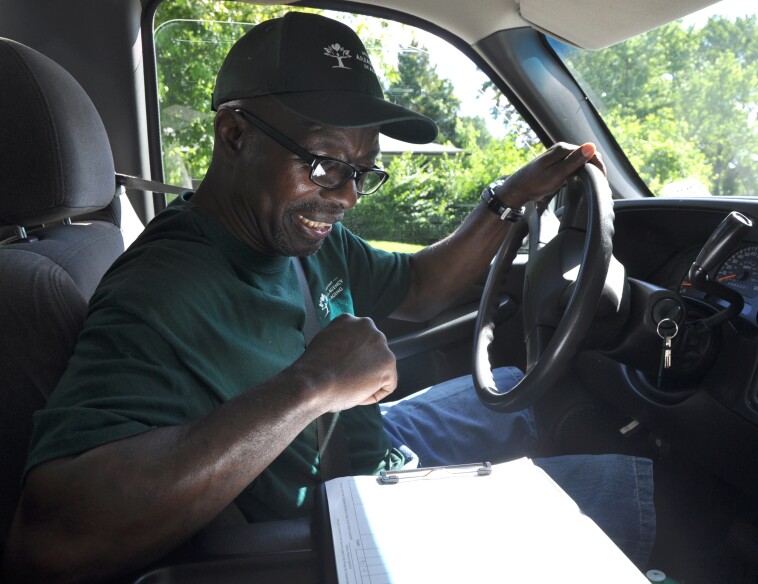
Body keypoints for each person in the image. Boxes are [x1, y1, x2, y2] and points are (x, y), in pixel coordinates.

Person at [4, 12, 654, 582]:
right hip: (335, 511)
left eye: (362, 171)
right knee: (651, 500)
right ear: (233, 135)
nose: (344, 196)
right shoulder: (161, 292)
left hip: (373, 438)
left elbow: (422, 288)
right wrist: (314, 384)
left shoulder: (303, 237)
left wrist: (507, 199)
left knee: (518, 383)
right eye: (322, 162)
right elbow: (51, 539)